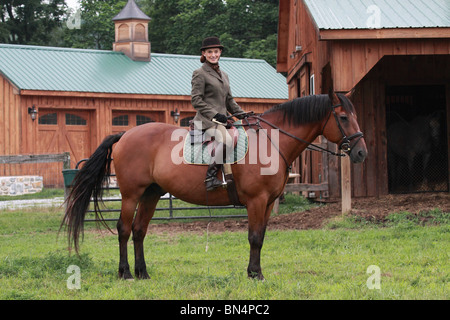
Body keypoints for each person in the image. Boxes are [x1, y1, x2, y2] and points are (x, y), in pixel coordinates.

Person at [191, 36, 246, 191]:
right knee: (227, 140)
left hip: (222, 120)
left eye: (216, 51)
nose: (213, 54)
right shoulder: (199, 73)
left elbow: (229, 100)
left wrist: (243, 114)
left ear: (220, 52)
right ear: (204, 53)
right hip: (206, 121)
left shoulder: (224, 75)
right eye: (210, 52)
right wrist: (215, 115)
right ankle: (210, 177)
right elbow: (196, 100)